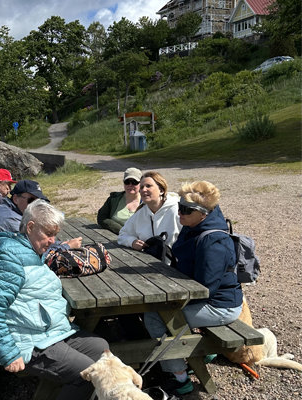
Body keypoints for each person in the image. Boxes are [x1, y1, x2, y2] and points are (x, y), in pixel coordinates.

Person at [0, 200, 108, 400]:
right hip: (26, 342)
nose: (53, 240)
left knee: (101, 348)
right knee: (87, 375)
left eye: (55, 235)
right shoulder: (9, 258)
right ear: (30, 227)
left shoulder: (28, 250)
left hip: (47, 332)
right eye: (49, 234)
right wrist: (8, 353)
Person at [143, 181, 243, 396]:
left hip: (220, 305)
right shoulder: (192, 228)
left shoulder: (213, 240)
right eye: (179, 207)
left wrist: (170, 301)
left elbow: (206, 288)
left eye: (186, 210)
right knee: (161, 313)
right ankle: (191, 353)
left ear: (204, 213)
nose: (180, 213)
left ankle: (179, 379)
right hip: (206, 299)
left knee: (156, 316)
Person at [117, 171, 181, 264]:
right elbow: (122, 235)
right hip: (149, 265)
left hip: (176, 268)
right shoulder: (141, 213)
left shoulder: (176, 210)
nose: (143, 190)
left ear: (161, 190)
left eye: (148, 186)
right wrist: (132, 241)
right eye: (142, 187)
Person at [97, 167, 142, 234]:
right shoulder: (114, 198)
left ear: (141, 183)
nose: (130, 185)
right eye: (127, 182)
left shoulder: (147, 201)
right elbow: (101, 218)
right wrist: (120, 230)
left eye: (134, 182)